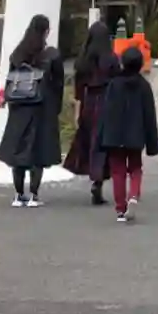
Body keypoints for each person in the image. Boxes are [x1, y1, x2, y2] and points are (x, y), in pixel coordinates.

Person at [0, 13, 64, 207]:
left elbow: (10, 79)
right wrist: (56, 107)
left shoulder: (18, 54)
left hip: (19, 107)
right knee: (38, 152)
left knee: (18, 151)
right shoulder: (51, 55)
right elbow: (58, 84)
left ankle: (18, 195)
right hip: (42, 107)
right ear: (46, 31)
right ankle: (34, 195)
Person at [97, 44, 158, 223]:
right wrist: (152, 141)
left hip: (114, 135)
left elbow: (105, 112)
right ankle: (133, 195)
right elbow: (149, 115)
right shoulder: (144, 86)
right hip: (136, 134)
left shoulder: (114, 85)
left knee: (117, 171)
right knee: (135, 168)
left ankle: (120, 209)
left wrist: (102, 136)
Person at [62, 19, 120, 205]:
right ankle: (98, 179)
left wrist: (78, 110)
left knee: (89, 140)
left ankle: (90, 172)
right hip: (107, 102)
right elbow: (117, 83)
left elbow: (78, 89)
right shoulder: (111, 59)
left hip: (88, 102)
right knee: (103, 142)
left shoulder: (83, 61)